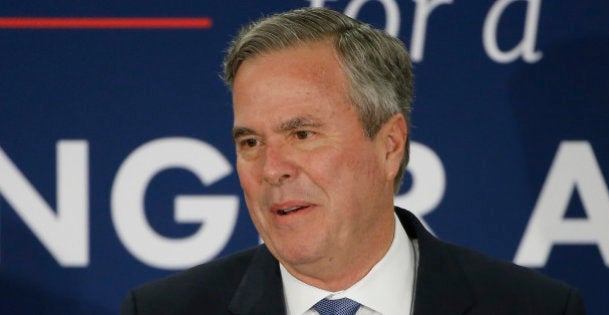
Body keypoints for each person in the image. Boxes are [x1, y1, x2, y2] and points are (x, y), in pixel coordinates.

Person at [120, 7, 585, 315]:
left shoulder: (533, 307)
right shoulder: (163, 311)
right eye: (250, 143)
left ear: (389, 145)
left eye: (301, 134)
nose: (271, 168)